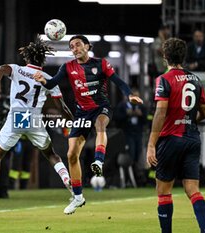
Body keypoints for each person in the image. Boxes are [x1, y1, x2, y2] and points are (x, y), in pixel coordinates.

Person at [34, 35, 143, 214]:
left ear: (87, 46)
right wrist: (43, 81)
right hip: (82, 113)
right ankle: (78, 197)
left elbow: (118, 81)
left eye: (77, 45)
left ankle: (98, 162)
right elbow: (53, 83)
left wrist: (129, 94)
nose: (74, 48)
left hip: (101, 108)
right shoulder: (67, 67)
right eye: (71, 46)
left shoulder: (101, 64)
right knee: (71, 155)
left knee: (100, 126)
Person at [0, 36, 73, 215]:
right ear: (43, 59)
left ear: (27, 58)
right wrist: (72, 120)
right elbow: (62, 106)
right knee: (51, 155)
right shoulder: (47, 78)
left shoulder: (17, 70)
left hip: (17, 117)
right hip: (35, 119)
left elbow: (1, 69)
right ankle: (67, 179)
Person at [146, 38, 205, 233]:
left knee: (164, 192)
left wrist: (151, 144)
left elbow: (160, 112)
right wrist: (188, 121)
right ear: (184, 56)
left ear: (165, 57)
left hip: (170, 140)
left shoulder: (164, 80)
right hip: (192, 139)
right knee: (193, 190)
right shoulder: (195, 79)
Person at [115, 88, 147, 185]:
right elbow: (116, 120)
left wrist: (141, 115)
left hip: (138, 133)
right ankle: (129, 178)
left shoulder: (142, 106)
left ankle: (138, 178)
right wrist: (126, 115)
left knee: (138, 154)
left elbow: (146, 120)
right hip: (127, 133)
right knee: (130, 154)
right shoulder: (121, 106)